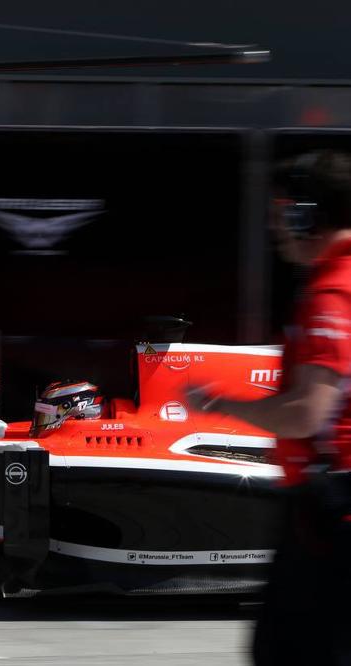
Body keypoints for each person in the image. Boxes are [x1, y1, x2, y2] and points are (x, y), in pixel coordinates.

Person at [184, 150, 351, 665]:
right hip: (326, 503)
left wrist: (219, 404)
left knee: (290, 651)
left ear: (308, 214)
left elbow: (306, 412)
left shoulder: (331, 294)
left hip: (330, 503)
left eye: (283, 212)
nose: (276, 228)